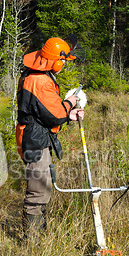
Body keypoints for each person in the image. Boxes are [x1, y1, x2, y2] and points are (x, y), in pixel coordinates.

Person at [15, 37, 86, 238]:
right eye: (63, 61)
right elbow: (55, 113)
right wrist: (71, 102)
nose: (63, 65)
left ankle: (38, 233)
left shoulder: (38, 75)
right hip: (35, 141)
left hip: (35, 136)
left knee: (42, 188)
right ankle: (32, 241)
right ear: (54, 60)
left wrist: (68, 115)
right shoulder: (39, 81)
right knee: (38, 192)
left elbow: (43, 113)